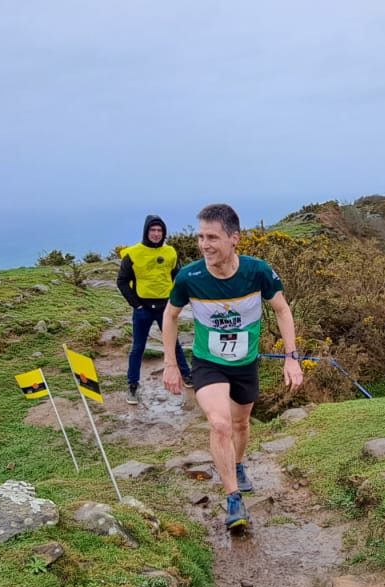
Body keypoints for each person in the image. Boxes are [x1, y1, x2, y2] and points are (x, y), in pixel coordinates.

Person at [162, 203, 304, 530]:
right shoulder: (190, 277)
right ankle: (233, 499)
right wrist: (171, 363)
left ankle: (237, 464)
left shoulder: (257, 272)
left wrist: (291, 357)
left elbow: (282, 311)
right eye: (200, 237)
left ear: (234, 239)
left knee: (240, 425)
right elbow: (169, 315)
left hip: (245, 362)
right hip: (208, 362)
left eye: (212, 237)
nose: (204, 244)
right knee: (220, 424)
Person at [116, 214, 193, 405]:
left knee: (173, 344)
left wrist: (178, 299)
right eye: (153, 230)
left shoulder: (171, 252)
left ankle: (188, 376)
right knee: (138, 348)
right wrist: (137, 304)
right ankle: (133, 386)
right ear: (146, 231)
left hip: (166, 307)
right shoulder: (132, 254)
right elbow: (122, 281)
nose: (156, 234)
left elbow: (178, 277)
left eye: (160, 230)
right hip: (143, 307)